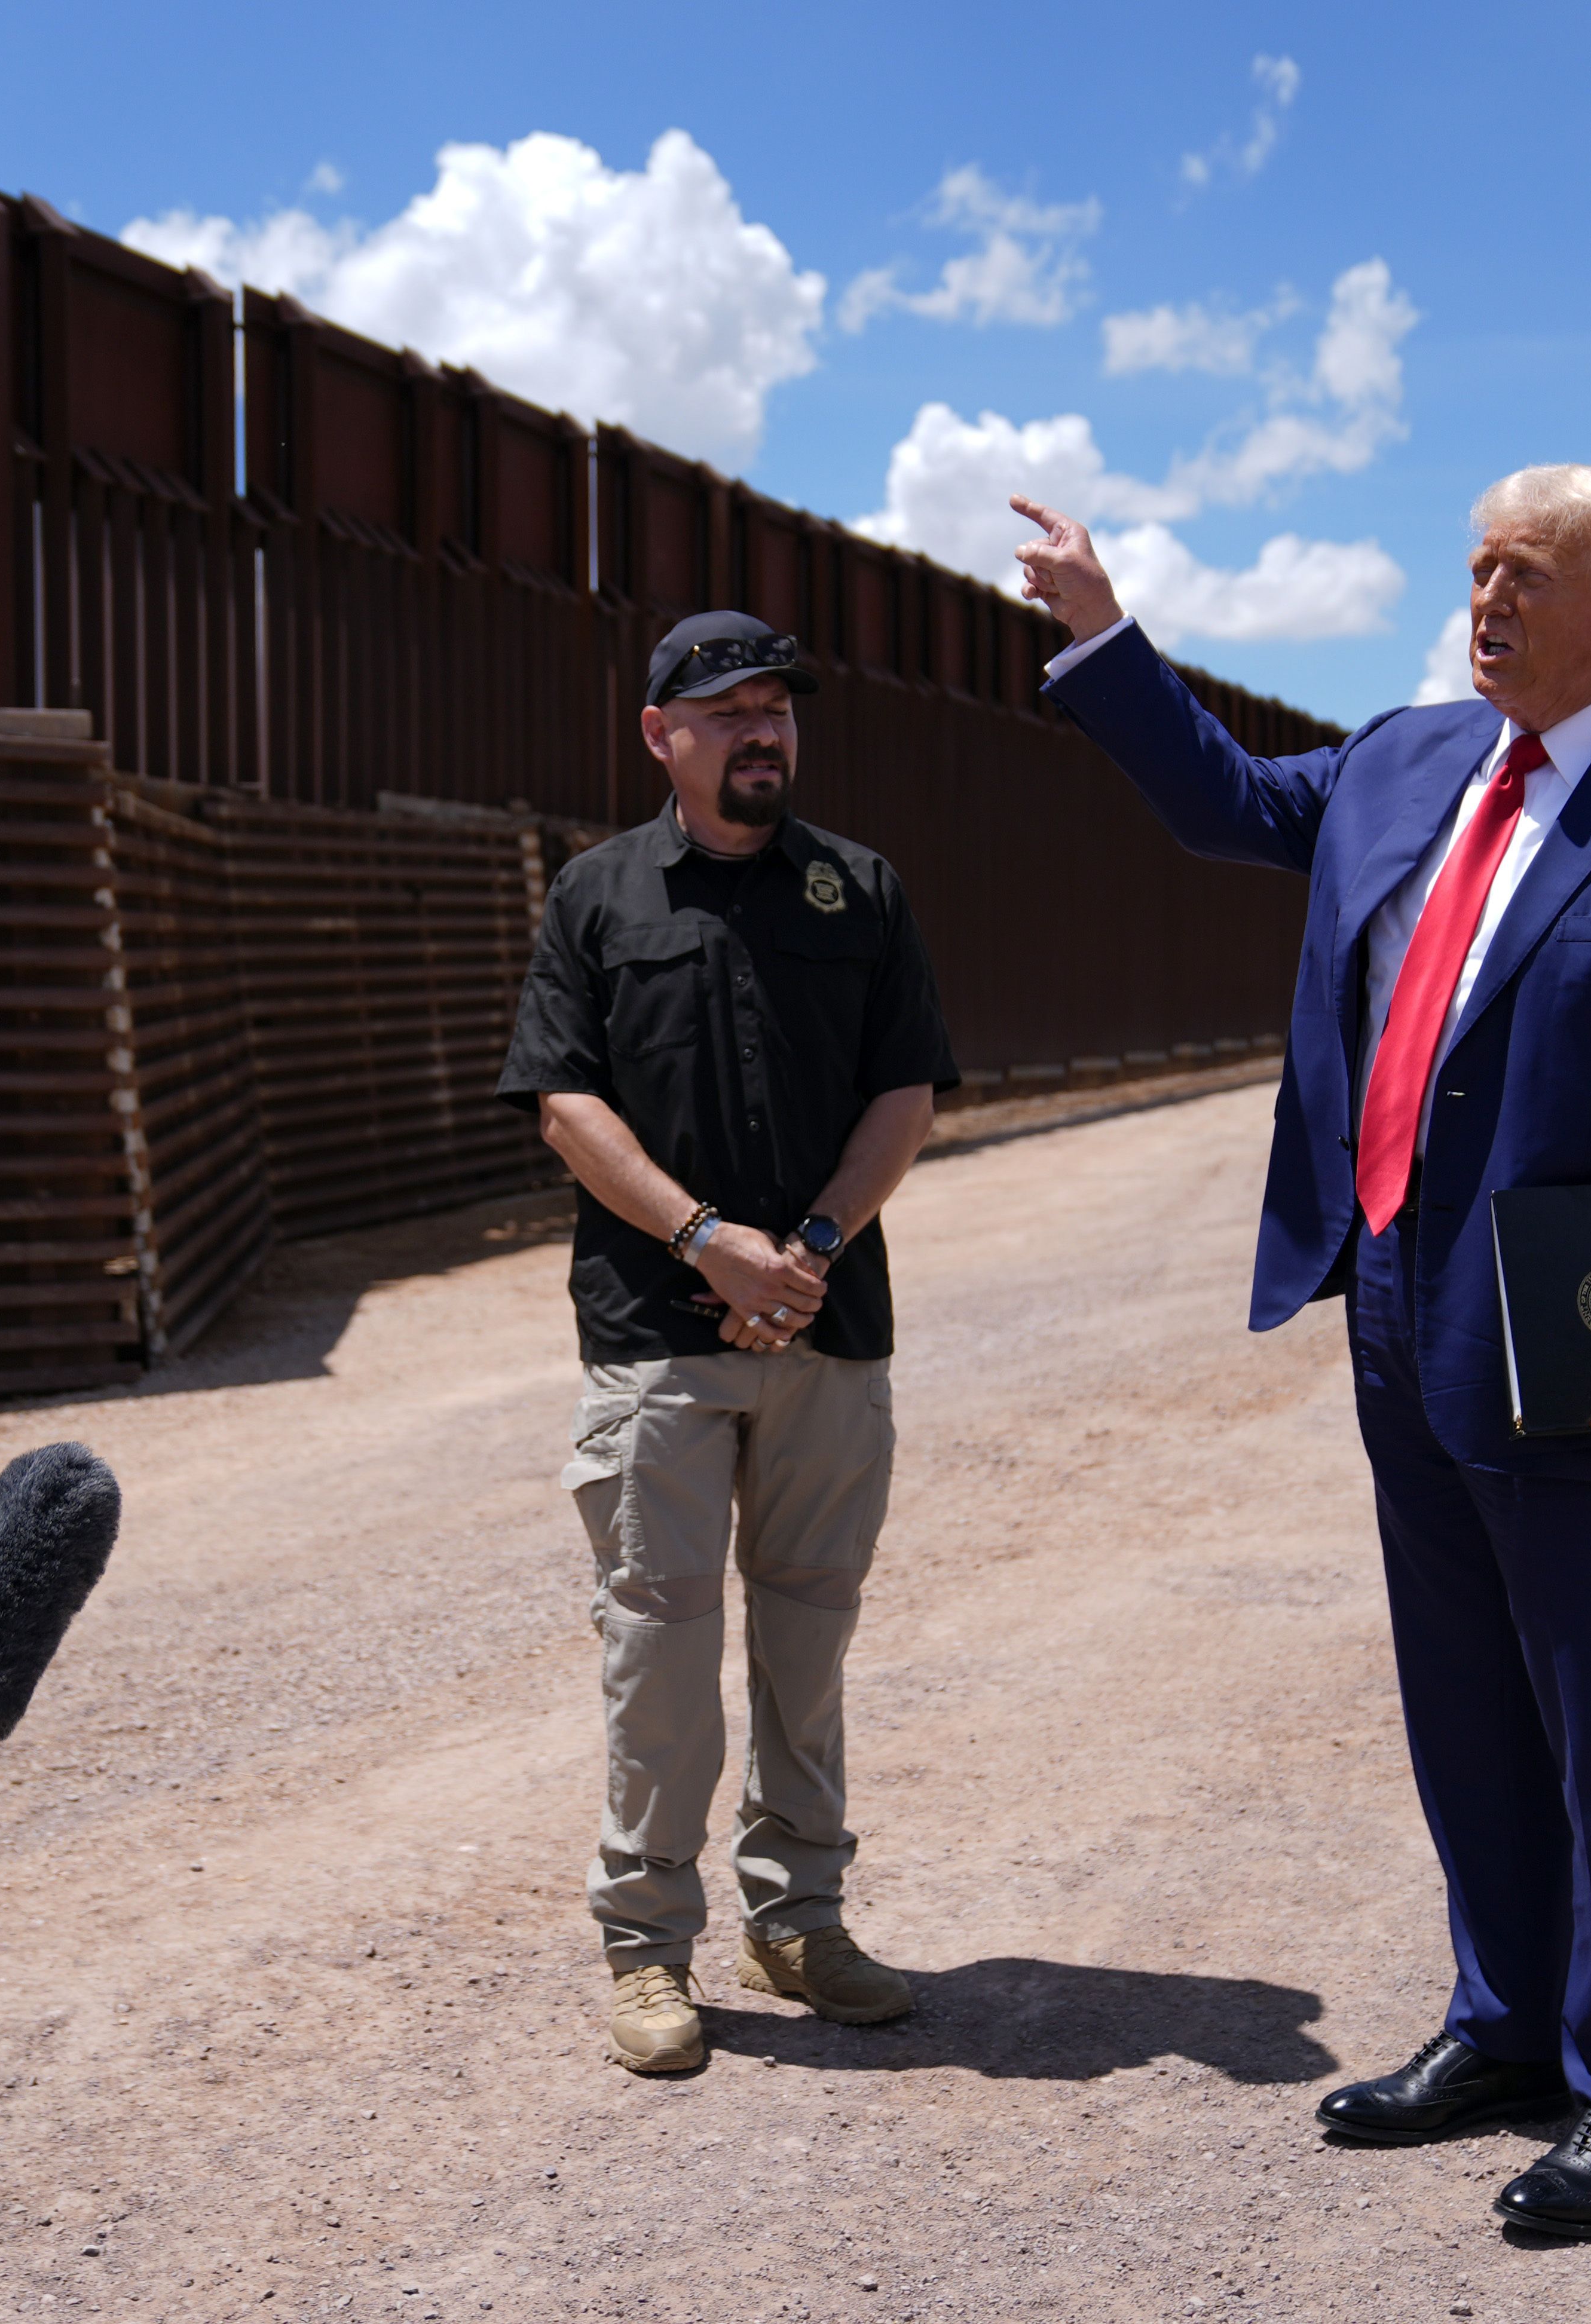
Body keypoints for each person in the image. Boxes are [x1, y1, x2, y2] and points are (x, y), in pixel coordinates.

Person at [1013, 469, 1591, 2234]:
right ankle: (1506, 2024)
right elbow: (1228, 803)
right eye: (1475, 569)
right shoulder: (1403, 758)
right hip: (1395, 1299)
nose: (1486, 600)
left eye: (1525, 575)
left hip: (1585, 1324)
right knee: (1460, 1697)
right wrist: (1103, 638)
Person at [497, 610, 959, 2075]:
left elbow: (905, 1093)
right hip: (659, 1337)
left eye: (779, 708)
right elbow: (568, 1106)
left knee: (808, 1644)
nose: (764, 730)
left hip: (829, 1326)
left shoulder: (860, 888)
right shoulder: (598, 896)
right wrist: (709, 1241)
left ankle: (801, 1920)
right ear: (663, 735)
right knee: (660, 1654)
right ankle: (649, 1950)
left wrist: (810, 1247)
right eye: (730, 709)